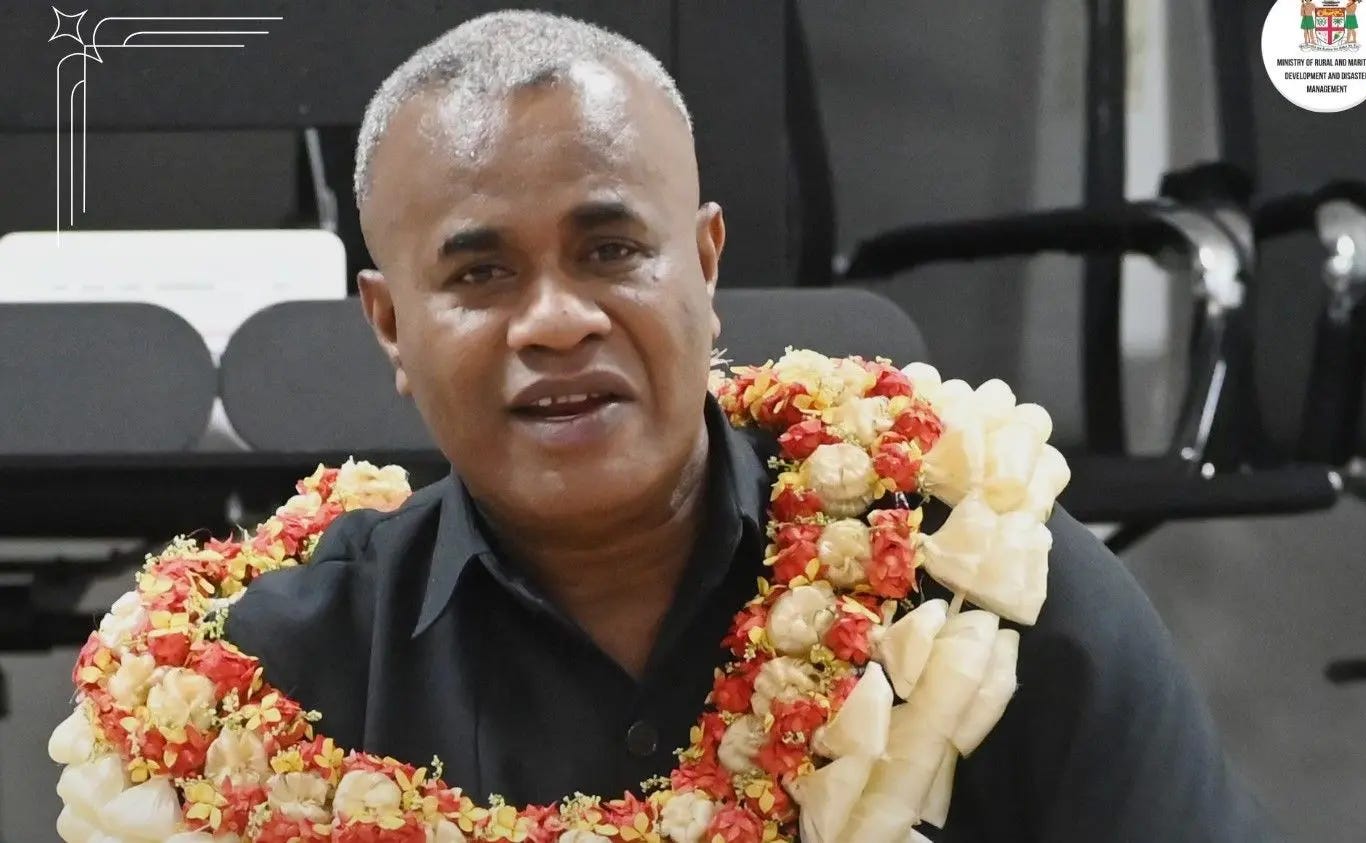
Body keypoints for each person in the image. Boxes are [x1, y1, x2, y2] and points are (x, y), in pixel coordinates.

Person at [224, 10, 1281, 841]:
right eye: (481, 273)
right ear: (391, 325)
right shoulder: (272, 682)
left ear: (705, 263)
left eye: (610, 252)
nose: (556, 320)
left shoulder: (979, 586)